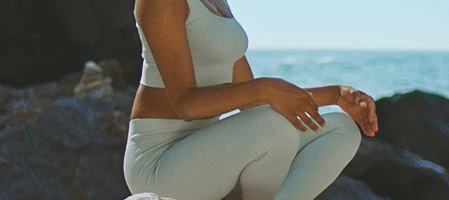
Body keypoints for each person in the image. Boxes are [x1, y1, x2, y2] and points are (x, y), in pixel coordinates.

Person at [123, 0, 379, 199]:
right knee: (274, 127)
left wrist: (335, 94)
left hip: (207, 153)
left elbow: (251, 104)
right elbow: (187, 105)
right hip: (160, 165)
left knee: (340, 128)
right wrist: (263, 87)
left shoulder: (217, 3)